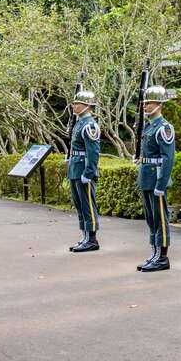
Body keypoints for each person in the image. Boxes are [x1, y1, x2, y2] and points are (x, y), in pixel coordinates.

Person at [136, 85, 175, 272]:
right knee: (151, 218)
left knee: (160, 219)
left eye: (149, 102)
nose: (145, 106)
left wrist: (161, 183)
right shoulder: (149, 126)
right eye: (145, 103)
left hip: (156, 178)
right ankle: (155, 253)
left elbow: (168, 158)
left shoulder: (164, 128)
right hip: (146, 176)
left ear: (159, 104)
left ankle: (162, 257)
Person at [67, 90, 101, 253]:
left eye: (77, 103)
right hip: (75, 167)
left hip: (83, 170)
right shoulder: (79, 122)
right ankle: (85, 236)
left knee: (87, 205)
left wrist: (89, 173)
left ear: (87, 106)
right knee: (79, 205)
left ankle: (92, 239)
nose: (74, 106)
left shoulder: (89, 125)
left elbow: (93, 152)